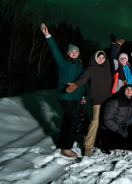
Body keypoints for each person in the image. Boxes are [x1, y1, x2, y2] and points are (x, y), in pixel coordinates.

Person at [40, 23, 86, 159]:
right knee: (74, 119)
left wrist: (83, 95)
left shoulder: (81, 67)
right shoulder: (63, 63)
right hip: (65, 96)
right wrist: (48, 35)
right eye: (71, 51)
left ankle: (61, 144)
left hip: (76, 98)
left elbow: (82, 83)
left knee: (67, 120)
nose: (74, 53)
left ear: (78, 53)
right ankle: (66, 148)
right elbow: (54, 50)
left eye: (76, 51)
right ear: (68, 54)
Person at [66, 50, 112, 157]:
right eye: (99, 57)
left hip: (108, 100)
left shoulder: (107, 68)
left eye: (102, 58)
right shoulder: (90, 69)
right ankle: (87, 145)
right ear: (95, 58)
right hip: (97, 100)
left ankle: (101, 141)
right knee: (95, 121)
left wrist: (117, 45)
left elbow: (112, 55)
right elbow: (83, 79)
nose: (101, 59)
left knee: (106, 122)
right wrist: (75, 85)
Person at [99, 85, 132, 153]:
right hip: (109, 128)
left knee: (131, 145)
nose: (129, 91)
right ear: (123, 91)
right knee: (114, 145)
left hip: (121, 128)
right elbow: (107, 120)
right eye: (127, 89)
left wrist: (128, 126)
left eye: (131, 89)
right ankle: (102, 141)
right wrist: (120, 131)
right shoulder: (115, 101)